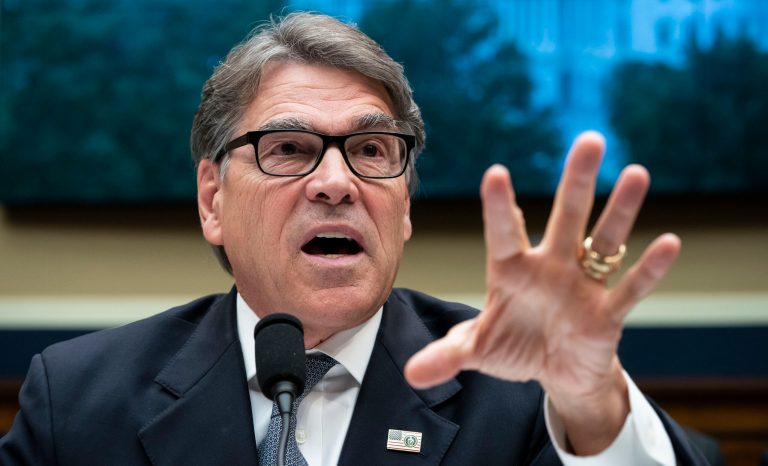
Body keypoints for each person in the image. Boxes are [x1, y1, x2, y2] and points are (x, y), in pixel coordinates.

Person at [0, 12, 709, 465]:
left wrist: (591, 402)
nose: (336, 182)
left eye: (372, 150)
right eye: (288, 149)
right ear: (213, 199)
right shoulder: (77, 400)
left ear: (403, 206)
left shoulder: (523, 393)